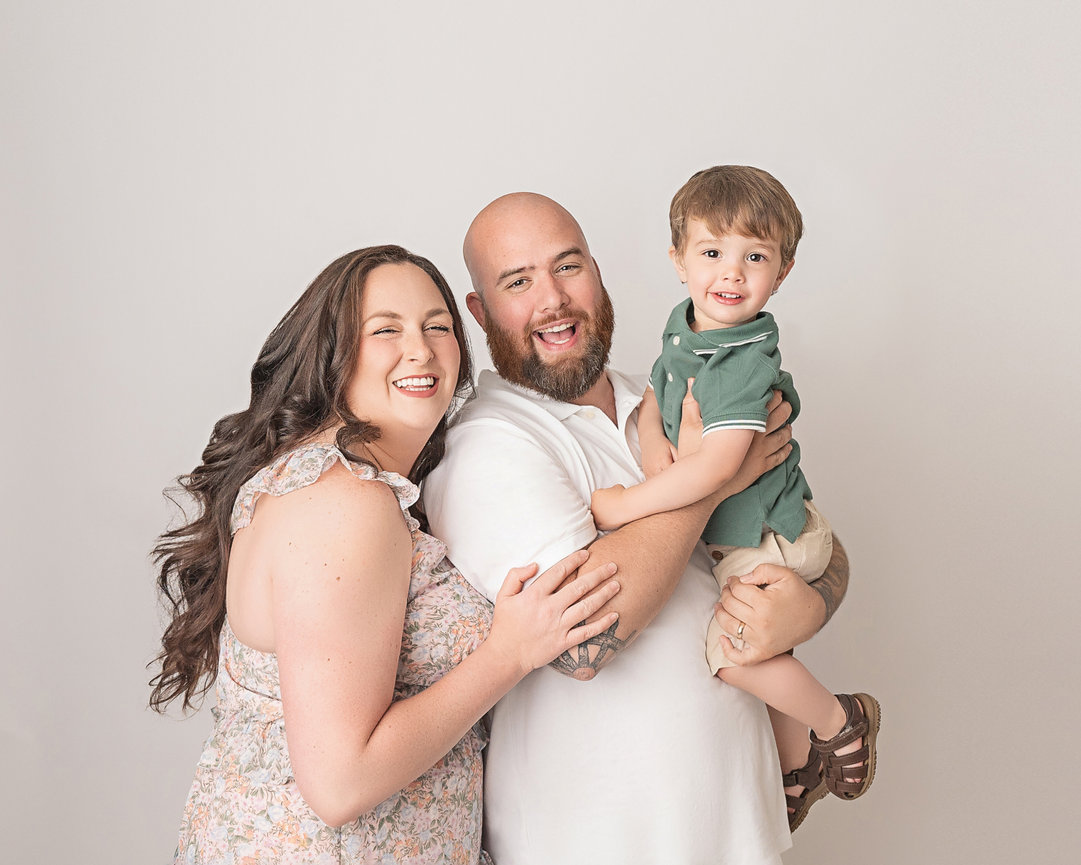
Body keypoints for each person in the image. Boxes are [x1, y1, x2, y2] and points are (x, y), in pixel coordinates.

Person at [149, 245, 623, 864]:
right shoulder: (344, 502)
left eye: (437, 327)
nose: (421, 350)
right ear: (332, 354)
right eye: (386, 331)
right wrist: (509, 653)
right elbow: (340, 783)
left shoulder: (363, 491)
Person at [422, 194, 852, 864]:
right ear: (479, 312)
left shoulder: (663, 393)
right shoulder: (487, 444)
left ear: (597, 271)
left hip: (740, 830)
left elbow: (793, 530)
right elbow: (587, 637)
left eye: (567, 267)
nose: (552, 299)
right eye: (517, 281)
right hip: (596, 844)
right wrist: (715, 480)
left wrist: (812, 602)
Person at [590, 165, 880, 830]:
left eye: (755, 257)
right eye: (711, 253)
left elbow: (719, 468)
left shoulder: (742, 358)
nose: (730, 274)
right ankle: (796, 767)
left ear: (781, 273)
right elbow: (658, 393)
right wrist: (655, 442)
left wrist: (628, 504)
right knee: (757, 648)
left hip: (772, 533)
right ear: (677, 260)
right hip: (744, 533)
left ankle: (840, 723)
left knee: (731, 655)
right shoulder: (686, 327)